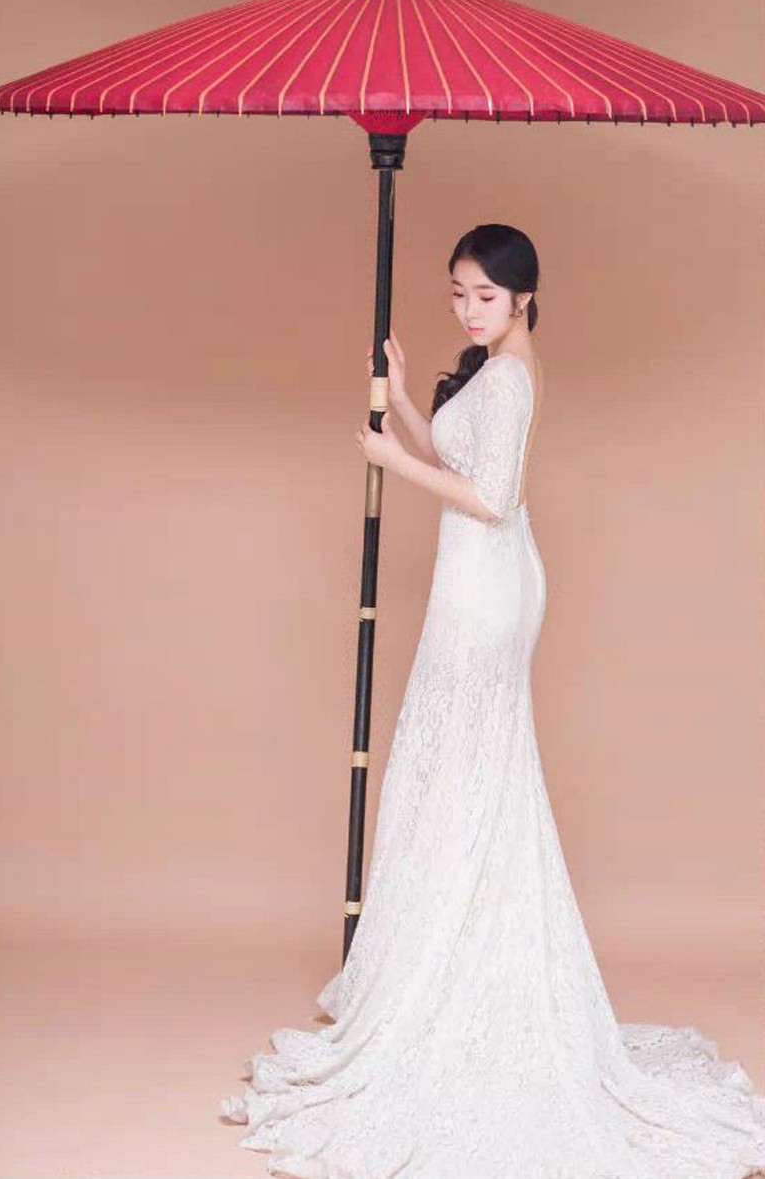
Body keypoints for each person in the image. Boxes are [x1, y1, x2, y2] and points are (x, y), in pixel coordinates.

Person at [220, 224, 765, 1178]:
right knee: (457, 772)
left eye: (485, 295)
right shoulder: (494, 371)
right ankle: (442, 957)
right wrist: (404, 405)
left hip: (487, 591)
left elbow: (493, 497)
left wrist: (390, 460)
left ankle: (459, 973)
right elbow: (464, 463)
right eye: (458, 293)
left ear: (523, 297)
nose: (469, 310)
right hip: (476, 581)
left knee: (463, 769)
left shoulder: (509, 378)